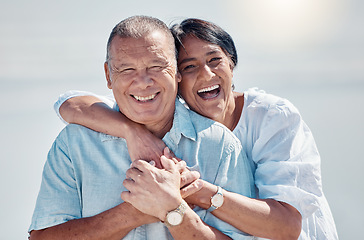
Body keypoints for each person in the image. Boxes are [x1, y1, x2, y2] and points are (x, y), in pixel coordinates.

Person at [57, 18, 339, 239]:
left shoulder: (271, 117)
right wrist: (133, 132)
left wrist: (188, 191)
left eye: (215, 60)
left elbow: (287, 227)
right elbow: (69, 103)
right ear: (175, 77)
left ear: (232, 63)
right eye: (189, 66)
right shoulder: (160, 116)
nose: (206, 74)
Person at [28, 16, 256, 240]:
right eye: (127, 70)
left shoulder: (221, 145)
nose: (143, 81)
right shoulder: (74, 144)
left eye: (156, 66)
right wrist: (134, 212)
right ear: (108, 75)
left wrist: (175, 211)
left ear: (177, 71)